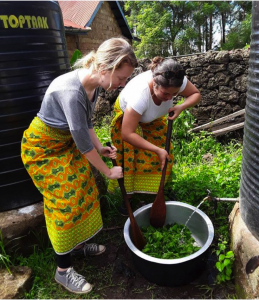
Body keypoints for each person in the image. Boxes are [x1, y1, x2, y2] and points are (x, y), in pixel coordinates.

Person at [21, 37, 137, 294]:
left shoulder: (93, 87)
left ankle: (76, 245)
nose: (123, 84)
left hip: (66, 144)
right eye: (122, 77)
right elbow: (82, 145)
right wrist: (108, 170)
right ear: (107, 67)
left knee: (84, 187)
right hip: (43, 150)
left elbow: (86, 127)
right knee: (65, 201)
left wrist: (101, 149)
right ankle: (63, 271)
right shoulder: (72, 91)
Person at [108, 56, 201, 215]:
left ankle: (160, 188)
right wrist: (156, 149)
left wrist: (181, 107)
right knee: (131, 159)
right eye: (165, 94)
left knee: (165, 153)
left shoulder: (175, 80)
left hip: (153, 118)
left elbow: (195, 94)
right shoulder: (140, 96)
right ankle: (127, 200)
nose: (169, 98)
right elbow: (127, 133)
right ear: (155, 83)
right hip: (129, 122)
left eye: (174, 94)